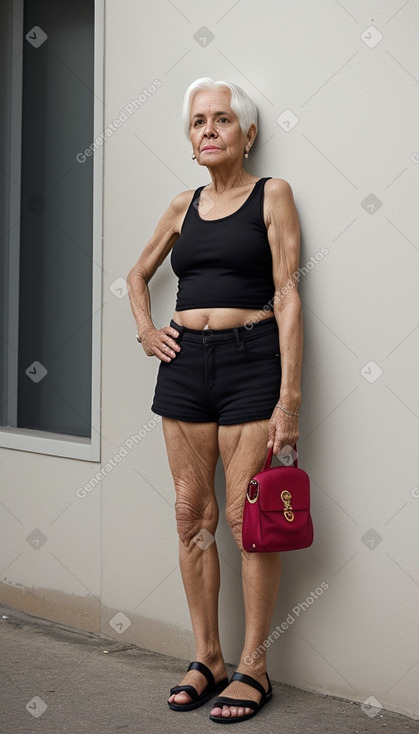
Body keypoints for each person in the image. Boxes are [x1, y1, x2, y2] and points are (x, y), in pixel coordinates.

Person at [127, 77, 303, 724]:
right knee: (189, 516)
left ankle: (254, 666)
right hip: (184, 368)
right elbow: (136, 275)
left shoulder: (271, 195)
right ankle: (209, 658)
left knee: (244, 523)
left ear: (246, 133)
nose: (206, 130)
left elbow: (286, 295)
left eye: (221, 119)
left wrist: (289, 398)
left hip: (251, 361)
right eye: (197, 121)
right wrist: (147, 331)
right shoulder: (182, 205)